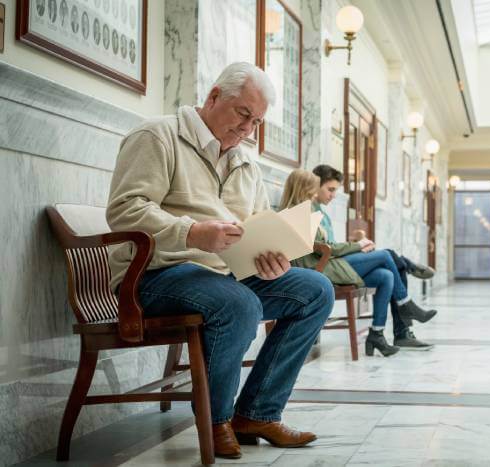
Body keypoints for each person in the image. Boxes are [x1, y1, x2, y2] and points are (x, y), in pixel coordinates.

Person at [106, 62, 334, 459]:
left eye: (256, 122)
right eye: (243, 114)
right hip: (156, 275)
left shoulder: (246, 163)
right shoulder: (157, 136)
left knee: (315, 289)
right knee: (238, 303)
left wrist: (270, 257)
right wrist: (191, 232)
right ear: (213, 97)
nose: (247, 129)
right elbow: (125, 210)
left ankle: (257, 413)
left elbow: (257, 224)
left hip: (223, 275)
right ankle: (215, 419)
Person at [280, 170, 437, 357]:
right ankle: (405, 303)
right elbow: (326, 248)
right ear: (302, 189)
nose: (315, 194)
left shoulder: (308, 211)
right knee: (386, 256)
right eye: (312, 190)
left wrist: (356, 245)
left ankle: (377, 334)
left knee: (386, 276)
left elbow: (327, 246)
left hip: (329, 263)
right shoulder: (299, 214)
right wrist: (357, 245)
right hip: (321, 269)